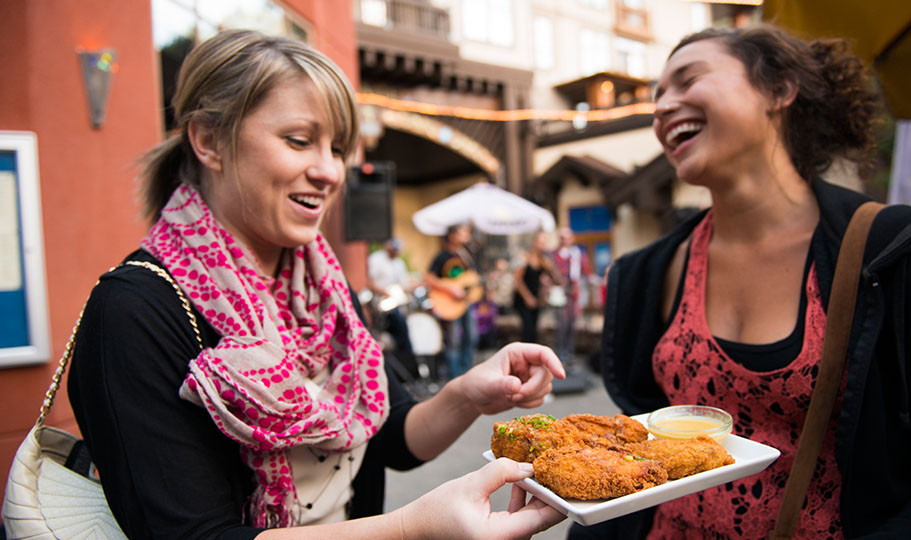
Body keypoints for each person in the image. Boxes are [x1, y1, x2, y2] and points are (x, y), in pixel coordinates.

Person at [66, 29, 566, 539]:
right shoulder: (132, 313)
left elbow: (390, 436)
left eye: (338, 148)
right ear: (209, 141)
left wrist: (466, 395)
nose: (330, 171)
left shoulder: (324, 291)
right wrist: (410, 531)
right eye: (300, 141)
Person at [572, 25, 911, 539]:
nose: (663, 107)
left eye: (687, 81)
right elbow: (639, 452)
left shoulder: (895, 250)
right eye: (657, 95)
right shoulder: (650, 269)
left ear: (779, 90)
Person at [425, 223, 481, 379]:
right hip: (449, 304)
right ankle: (454, 376)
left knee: (471, 337)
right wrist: (450, 289)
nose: (467, 236)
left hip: (465, 303)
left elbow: (472, 278)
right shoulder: (442, 256)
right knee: (453, 341)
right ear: (452, 236)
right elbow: (429, 278)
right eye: (463, 233)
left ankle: (467, 373)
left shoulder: (466, 255)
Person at [367, 237, 416, 371]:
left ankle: (407, 362)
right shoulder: (376, 259)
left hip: (397, 301)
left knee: (403, 327)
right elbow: (368, 281)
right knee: (400, 326)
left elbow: (404, 284)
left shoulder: (399, 263)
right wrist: (384, 292)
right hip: (381, 303)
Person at [512, 231, 561, 343]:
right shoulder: (524, 258)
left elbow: (557, 280)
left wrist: (551, 267)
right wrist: (528, 298)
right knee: (527, 329)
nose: (543, 245)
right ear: (535, 242)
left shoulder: (544, 261)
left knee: (534, 330)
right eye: (541, 242)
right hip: (523, 299)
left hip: (536, 298)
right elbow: (518, 281)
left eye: (545, 243)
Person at [551, 227, 591, 363]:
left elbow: (586, 272)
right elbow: (550, 273)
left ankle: (569, 354)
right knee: (561, 324)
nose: (565, 240)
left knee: (572, 325)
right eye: (562, 238)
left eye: (567, 237)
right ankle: (561, 354)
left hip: (574, 293)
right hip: (561, 293)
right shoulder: (554, 255)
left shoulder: (577, 254)